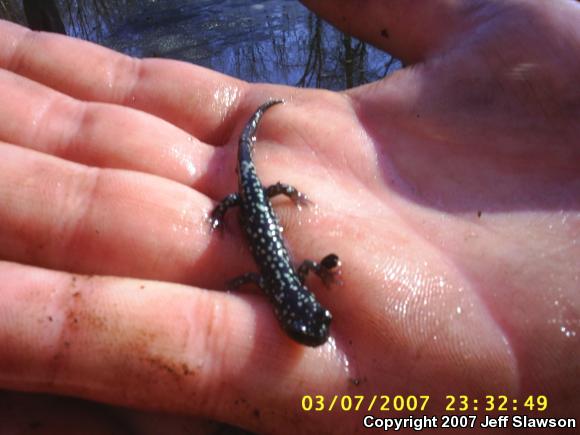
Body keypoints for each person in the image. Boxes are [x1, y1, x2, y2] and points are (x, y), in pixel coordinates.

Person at [0, 0, 578, 433]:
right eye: (307, 323)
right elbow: (268, 268)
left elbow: (270, 272)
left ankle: (252, 162)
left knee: (255, 194)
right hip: (250, 202)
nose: (306, 328)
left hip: (260, 204)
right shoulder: (280, 284)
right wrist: (225, 214)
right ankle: (246, 171)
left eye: (306, 323)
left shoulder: (280, 286)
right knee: (247, 193)